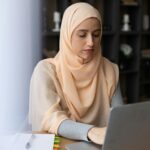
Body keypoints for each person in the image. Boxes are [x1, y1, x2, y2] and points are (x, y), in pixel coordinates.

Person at [29, 2, 123, 145]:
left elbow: (120, 118)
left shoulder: (109, 69)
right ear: (67, 34)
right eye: (82, 35)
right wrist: (91, 132)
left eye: (96, 35)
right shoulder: (45, 71)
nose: (91, 42)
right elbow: (50, 119)